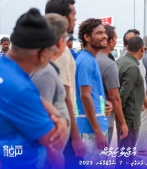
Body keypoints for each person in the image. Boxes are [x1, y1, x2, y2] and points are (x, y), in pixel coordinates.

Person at [0, 8, 67, 169]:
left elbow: (35, 99)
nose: (55, 53)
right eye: (52, 51)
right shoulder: (21, 91)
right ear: (42, 54)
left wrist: (60, 118)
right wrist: (62, 124)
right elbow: (52, 146)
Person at [45, 1, 86, 168]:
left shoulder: (41, 45)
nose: (75, 20)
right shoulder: (59, 50)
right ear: (63, 19)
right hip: (61, 129)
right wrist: (75, 137)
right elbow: (64, 96)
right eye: (73, 15)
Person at [30, 13, 71, 157]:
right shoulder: (45, 73)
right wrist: (55, 158)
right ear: (60, 42)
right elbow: (40, 121)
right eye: (66, 39)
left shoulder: (38, 66)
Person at [76, 18, 112, 166]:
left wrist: (105, 103)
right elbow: (84, 97)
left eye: (104, 33)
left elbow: (92, 94)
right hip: (90, 130)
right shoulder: (85, 61)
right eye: (99, 33)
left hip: (96, 125)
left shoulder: (91, 59)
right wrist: (97, 131)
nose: (105, 36)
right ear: (87, 37)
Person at [116, 36, 145, 168]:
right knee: (126, 152)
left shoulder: (120, 61)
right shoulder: (132, 66)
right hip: (130, 116)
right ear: (142, 49)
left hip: (125, 114)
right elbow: (123, 94)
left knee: (123, 150)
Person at [96, 25, 128, 145]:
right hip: (104, 116)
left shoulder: (86, 59)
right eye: (115, 39)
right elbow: (114, 97)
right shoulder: (109, 64)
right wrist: (123, 123)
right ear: (110, 41)